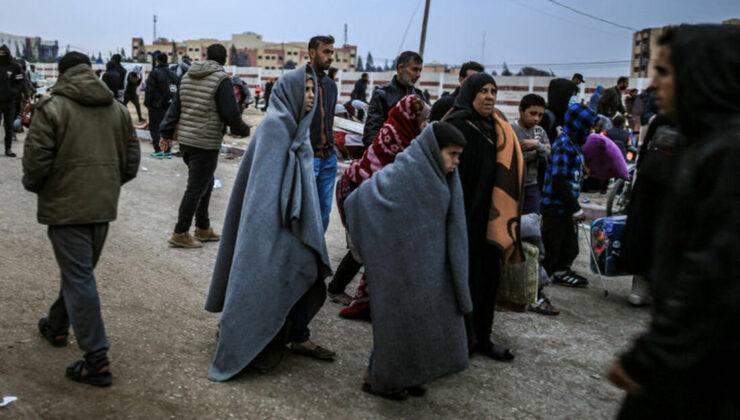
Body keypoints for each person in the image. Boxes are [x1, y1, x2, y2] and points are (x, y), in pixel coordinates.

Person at [608, 24, 740, 419]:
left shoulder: (728, 153)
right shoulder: (702, 141)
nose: (652, 84)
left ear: (699, 73)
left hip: (702, 368)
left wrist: (651, 356)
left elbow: (713, 274)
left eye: (665, 72)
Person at [205, 66, 335, 381]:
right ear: (288, 91)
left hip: (291, 225)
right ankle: (243, 338)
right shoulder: (276, 128)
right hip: (271, 227)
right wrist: (266, 233)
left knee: (304, 267)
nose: (310, 96)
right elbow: (262, 194)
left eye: (311, 90)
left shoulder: (298, 127)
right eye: (304, 90)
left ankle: (296, 334)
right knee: (260, 277)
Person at [22, 52, 140, 387]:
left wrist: (41, 188)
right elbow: (131, 161)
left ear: (62, 74)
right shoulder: (117, 109)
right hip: (101, 206)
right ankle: (57, 327)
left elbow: (36, 163)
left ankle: (97, 359)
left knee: (78, 277)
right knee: (79, 274)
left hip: (66, 207)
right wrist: (104, 186)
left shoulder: (52, 108)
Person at [344, 122, 471, 400]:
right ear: (433, 150)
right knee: (396, 325)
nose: (456, 162)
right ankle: (377, 377)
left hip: (428, 266)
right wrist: (383, 248)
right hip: (399, 268)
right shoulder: (405, 172)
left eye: (459, 156)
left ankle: (411, 375)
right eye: (452, 154)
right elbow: (360, 200)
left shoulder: (441, 175)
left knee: (421, 322)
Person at [444, 72, 524, 361]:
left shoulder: (498, 127)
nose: (490, 96)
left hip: (492, 220)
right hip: (462, 217)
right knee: (460, 280)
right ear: (470, 93)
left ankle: (483, 338)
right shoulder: (455, 125)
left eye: (494, 91)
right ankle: (459, 340)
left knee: (487, 280)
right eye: (484, 91)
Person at [331, 95, 431, 314]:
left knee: (368, 248)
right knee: (361, 248)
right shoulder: (395, 138)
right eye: (423, 120)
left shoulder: (405, 136)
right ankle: (337, 289)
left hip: (367, 192)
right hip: (356, 190)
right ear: (411, 119)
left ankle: (366, 296)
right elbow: (382, 174)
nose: (425, 126)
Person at [159, 44, 249, 248]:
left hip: (187, 141)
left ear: (207, 56)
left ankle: (202, 227)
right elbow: (230, 112)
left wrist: (166, 133)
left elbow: (175, 107)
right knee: (196, 188)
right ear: (224, 59)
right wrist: (243, 129)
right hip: (205, 141)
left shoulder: (188, 76)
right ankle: (180, 232)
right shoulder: (221, 79)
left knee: (205, 184)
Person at [541, 103, 598, 288]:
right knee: (552, 248)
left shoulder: (575, 145)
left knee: (570, 247)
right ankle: (536, 289)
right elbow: (558, 179)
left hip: (566, 206)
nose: (590, 130)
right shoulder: (565, 145)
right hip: (556, 206)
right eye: (587, 125)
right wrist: (575, 208)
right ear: (578, 124)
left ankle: (562, 271)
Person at [307, 35, 338, 232]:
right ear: (312, 53)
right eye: (325, 52)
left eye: (332, 53)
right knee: (303, 211)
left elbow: (330, 120)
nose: (330, 57)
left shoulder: (331, 86)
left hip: (328, 159)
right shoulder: (299, 82)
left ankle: (315, 257)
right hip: (308, 158)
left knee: (323, 212)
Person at [363, 50, 425, 147]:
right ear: (400, 68)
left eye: (420, 70)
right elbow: (370, 134)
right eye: (414, 69)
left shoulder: (419, 96)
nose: (418, 75)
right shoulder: (382, 95)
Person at [511, 93, 550, 214]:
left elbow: (550, 158)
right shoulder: (510, 129)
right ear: (521, 111)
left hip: (531, 185)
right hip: (511, 185)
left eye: (540, 115)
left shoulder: (539, 131)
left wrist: (537, 145)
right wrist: (537, 150)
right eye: (533, 113)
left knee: (531, 226)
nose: (536, 119)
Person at [144, 53, 177, 158]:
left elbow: (149, 90)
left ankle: (159, 149)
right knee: (167, 128)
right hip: (170, 106)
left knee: (155, 128)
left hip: (156, 106)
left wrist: (147, 103)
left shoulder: (155, 73)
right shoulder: (173, 73)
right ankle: (167, 150)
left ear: (157, 61)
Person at [0, 44, 23, 157]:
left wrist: (14, 92)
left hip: (10, 102)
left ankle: (8, 149)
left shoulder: (15, 67)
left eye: (3, 53)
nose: (1, 55)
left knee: (9, 126)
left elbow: (20, 82)